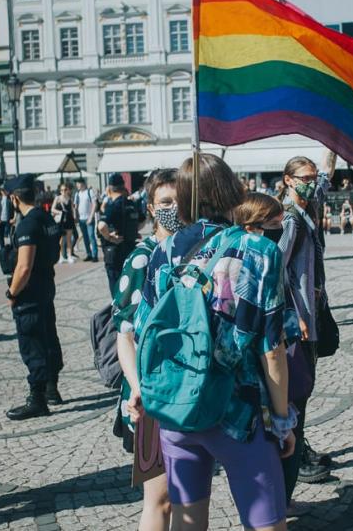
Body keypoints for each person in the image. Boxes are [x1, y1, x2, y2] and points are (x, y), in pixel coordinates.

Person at [132, 154, 296, 530]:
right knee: (266, 523)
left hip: (179, 408)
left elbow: (143, 329)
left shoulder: (164, 250)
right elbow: (273, 348)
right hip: (238, 410)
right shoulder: (260, 251)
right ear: (232, 191)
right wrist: (283, 419)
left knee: (188, 522)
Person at [113, 169, 178, 531]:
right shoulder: (143, 257)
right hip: (149, 396)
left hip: (184, 390)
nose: (174, 209)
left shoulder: (192, 251)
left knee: (183, 495)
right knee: (161, 499)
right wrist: (136, 385)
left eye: (179, 201)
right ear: (152, 208)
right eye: (166, 202)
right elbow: (125, 334)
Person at [277, 153, 337, 510]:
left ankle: (288, 483)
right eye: (304, 177)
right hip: (298, 325)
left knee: (301, 401)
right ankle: (283, 494)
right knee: (294, 405)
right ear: (288, 180)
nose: (311, 181)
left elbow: (326, 181)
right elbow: (277, 270)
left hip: (310, 320)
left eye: (313, 176)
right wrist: (293, 313)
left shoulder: (306, 209)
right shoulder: (289, 220)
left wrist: (332, 147)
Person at [3, 174, 64, 420]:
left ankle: (37, 399)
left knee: (33, 343)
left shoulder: (28, 224)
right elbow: (56, 254)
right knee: (48, 337)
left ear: (15, 198)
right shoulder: (45, 218)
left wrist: (12, 292)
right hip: (46, 287)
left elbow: (23, 267)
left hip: (30, 293)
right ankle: (52, 390)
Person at [97, 173, 141, 296]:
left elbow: (101, 226)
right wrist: (134, 230)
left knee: (116, 289)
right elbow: (142, 220)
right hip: (130, 250)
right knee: (129, 286)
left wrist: (109, 237)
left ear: (109, 188)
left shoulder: (113, 205)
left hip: (115, 253)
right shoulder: (132, 204)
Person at [74, 178, 99, 262]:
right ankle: (89, 254)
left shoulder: (89, 192)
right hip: (81, 219)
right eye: (77, 184)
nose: (77, 185)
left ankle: (94, 255)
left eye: (78, 183)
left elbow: (94, 204)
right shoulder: (77, 194)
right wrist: (76, 216)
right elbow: (75, 206)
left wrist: (91, 217)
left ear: (83, 184)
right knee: (85, 238)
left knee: (91, 236)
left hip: (89, 218)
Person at [52, 183, 77, 264]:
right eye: (61, 190)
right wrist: (60, 212)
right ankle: (61, 256)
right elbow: (52, 209)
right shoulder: (57, 198)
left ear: (68, 190)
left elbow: (72, 209)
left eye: (65, 190)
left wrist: (75, 216)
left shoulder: (70, 198)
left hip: (69, 220)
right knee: (61, 240)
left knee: (69, 239)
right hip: (61, 221)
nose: (63, 191)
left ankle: (69, 256)